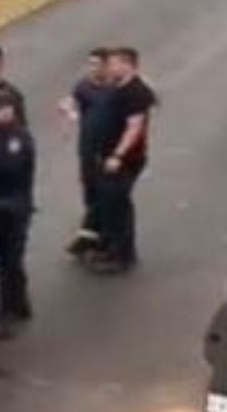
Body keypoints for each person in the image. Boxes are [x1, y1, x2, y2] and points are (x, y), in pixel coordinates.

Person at [91, 47, 157, 273]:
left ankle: (123, 256)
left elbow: (134, 127)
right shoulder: (119, 87)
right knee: (109, 205)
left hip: (125, 160)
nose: (109, 67)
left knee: (119, 206)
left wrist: (118, 155)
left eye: (114, 63)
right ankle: (112, 248)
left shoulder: (136, 92)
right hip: (107, 156)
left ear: (127, 64)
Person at [0, 96, 36, 340]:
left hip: (14, 205)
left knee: (10, 259)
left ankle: (7, 310)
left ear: (9, 111)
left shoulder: (19, 138)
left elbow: (10, 168)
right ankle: (20, 303)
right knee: (6, 258)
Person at [59, 48, 114, 257]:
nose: (92, 68)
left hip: (108, 149)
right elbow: (70, 103)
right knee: (90, 191)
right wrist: (67, 114)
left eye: (96, 64)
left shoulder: (114, 88)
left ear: (106, 65)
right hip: (87, 149)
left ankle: (90, 236)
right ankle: (95, 234)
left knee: (105, 193)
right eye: (90, 64)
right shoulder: (84, 87)